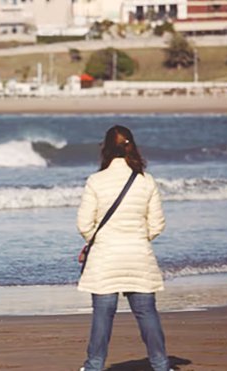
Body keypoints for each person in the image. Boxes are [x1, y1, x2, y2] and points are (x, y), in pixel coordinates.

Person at [77, 126, 171, 371]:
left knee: (102, 315)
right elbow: (157, 223)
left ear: (105, 148)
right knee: (146, 313)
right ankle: (161, 365)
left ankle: (94, 366)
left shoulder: (96, 181)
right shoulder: (146, 181)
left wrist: (98, 239)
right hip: (138, 255)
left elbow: (84, 224)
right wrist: (139, 237)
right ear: (131, 146)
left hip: (105, 257)